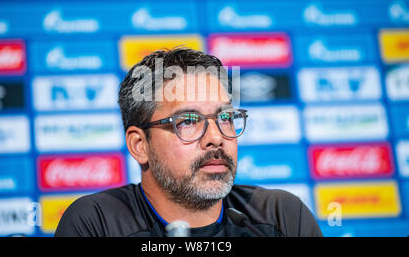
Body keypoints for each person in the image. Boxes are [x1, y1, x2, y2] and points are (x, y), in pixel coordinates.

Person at [55, 48, 322, 237]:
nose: (216, 138)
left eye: (225, 117)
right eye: (188, 121)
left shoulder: (280, 216)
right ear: (140, 145)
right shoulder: (97, 223)